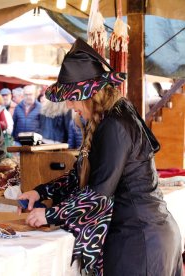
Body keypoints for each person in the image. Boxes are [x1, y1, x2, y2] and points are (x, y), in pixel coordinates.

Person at [19, 38, 183, 275]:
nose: (70, 105)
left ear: (90, 95)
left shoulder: (115, 124)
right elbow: (80, 175)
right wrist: (41, 192)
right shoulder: (109, 118)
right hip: (140, 235)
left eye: (73, 98)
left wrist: (51, 214)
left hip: (140, 239)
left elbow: (99, 193)